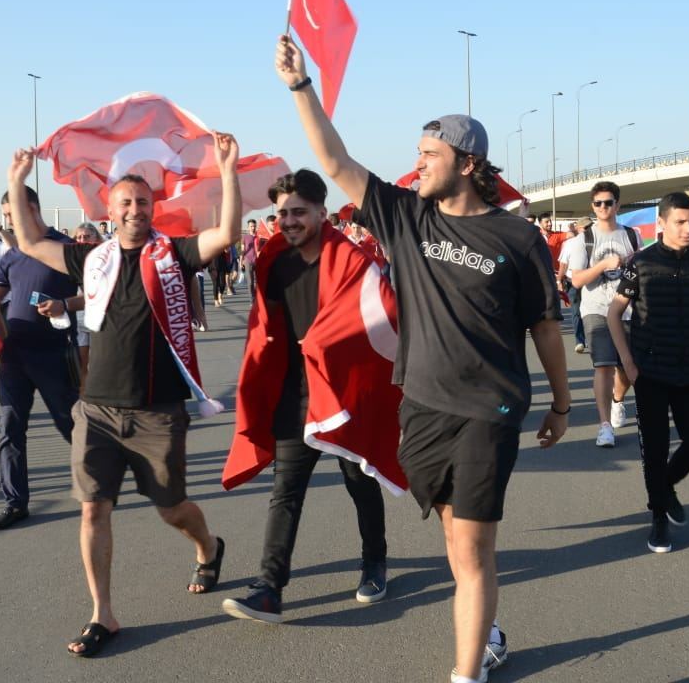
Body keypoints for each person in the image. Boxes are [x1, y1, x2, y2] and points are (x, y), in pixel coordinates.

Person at [275, 35, 570, 683]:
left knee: (470, 545)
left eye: (428, 154)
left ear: (467, 162)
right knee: (451, 537)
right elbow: (333, 158)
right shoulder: (407, 218)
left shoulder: (518, 239)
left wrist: (561, 400)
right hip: (425, 408)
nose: (418, 163)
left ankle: (467, 671)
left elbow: (546, 326)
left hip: (488, 409)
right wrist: (301, 86)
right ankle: (485, 628)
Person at [5, 133, 239, 658]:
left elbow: (225, 232)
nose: (135, 210)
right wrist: (15, 183)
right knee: (94, 511)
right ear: (110, 211)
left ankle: (208, 545)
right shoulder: (92, 259)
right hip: (98, 409)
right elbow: (29, 241)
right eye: (125, 203)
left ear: (154, 208)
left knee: (172, 509)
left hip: (158, 411)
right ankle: (103, 614)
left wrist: (227, 169)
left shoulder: (174, 254)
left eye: (143, 202)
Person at [221, 169, 399, 623]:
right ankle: (268, 588)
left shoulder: (355, 262)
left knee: (360, 482)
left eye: (298, 211)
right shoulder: (274, 262)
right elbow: (266, 329)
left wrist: (328, 343)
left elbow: (383, 319)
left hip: (343, 394)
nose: (289, 220)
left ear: (322, 212)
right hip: (294, 395)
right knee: (285, 491)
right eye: (281, 213)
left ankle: (374, 562)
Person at [607, 192, 689, 553]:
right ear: (662, 224)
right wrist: (629, 363)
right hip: (650, 370)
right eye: (680, 222)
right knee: (655, 447)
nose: (688, 228)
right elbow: (613, 315)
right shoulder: (642, 263)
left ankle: (664, 489)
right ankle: (658, 519)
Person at [0, 186, 81, 530]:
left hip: (53, 353)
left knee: (70, 425)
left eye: (11, 216)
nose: (7, 224)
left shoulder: (66, 249)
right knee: (10, 428)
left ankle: (100, 475)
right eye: (5, 217)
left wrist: (65, 305)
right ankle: (15, 502)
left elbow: (97, 294)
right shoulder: (12, 256)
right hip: (13, 355)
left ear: (32, 209)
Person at [567, 182, 641, 447]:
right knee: (604, 365)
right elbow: (576, 281)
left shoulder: (632, 236)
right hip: (595, 309)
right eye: (598, 203)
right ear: (592, 207)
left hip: (627, 310)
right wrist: (602, 265)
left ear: (617, 205)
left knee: (628, 366)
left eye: (608, 203)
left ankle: (618, 401)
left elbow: (639, 272)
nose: (603, 208)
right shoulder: (583, 240)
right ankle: (604, 426)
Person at [72, 222, 103, 387]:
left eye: (86, 236)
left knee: (102, 366)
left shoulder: (106, 258)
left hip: (100, 321)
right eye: (79, 237)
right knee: (82, 366)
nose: (82, 240)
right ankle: (84, 401)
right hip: (78, 320)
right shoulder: (70, 259)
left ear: (96, 238)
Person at [557, 216, 592, 353]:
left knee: (592, 312)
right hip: (574, 282)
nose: (589, 230)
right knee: (576, 311)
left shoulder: (597, 241)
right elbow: (563, 263)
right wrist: (560, 280)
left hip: (593, 281)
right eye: (586, 227)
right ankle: (580, 341)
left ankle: (592, 340)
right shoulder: (571, 243)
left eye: (590, 226)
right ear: (578, 229)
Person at [241, 219, 260, 302]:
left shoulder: (259, 237)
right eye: (251, 226)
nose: (253, 228)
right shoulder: (245, 237)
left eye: (254, 226)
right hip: (248, 260)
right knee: (250, 282)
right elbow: (242, 250)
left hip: (258, 260)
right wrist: (241, 261)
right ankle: (252, 299)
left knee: (259, 281)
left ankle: (257, 297)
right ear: (248, 227)